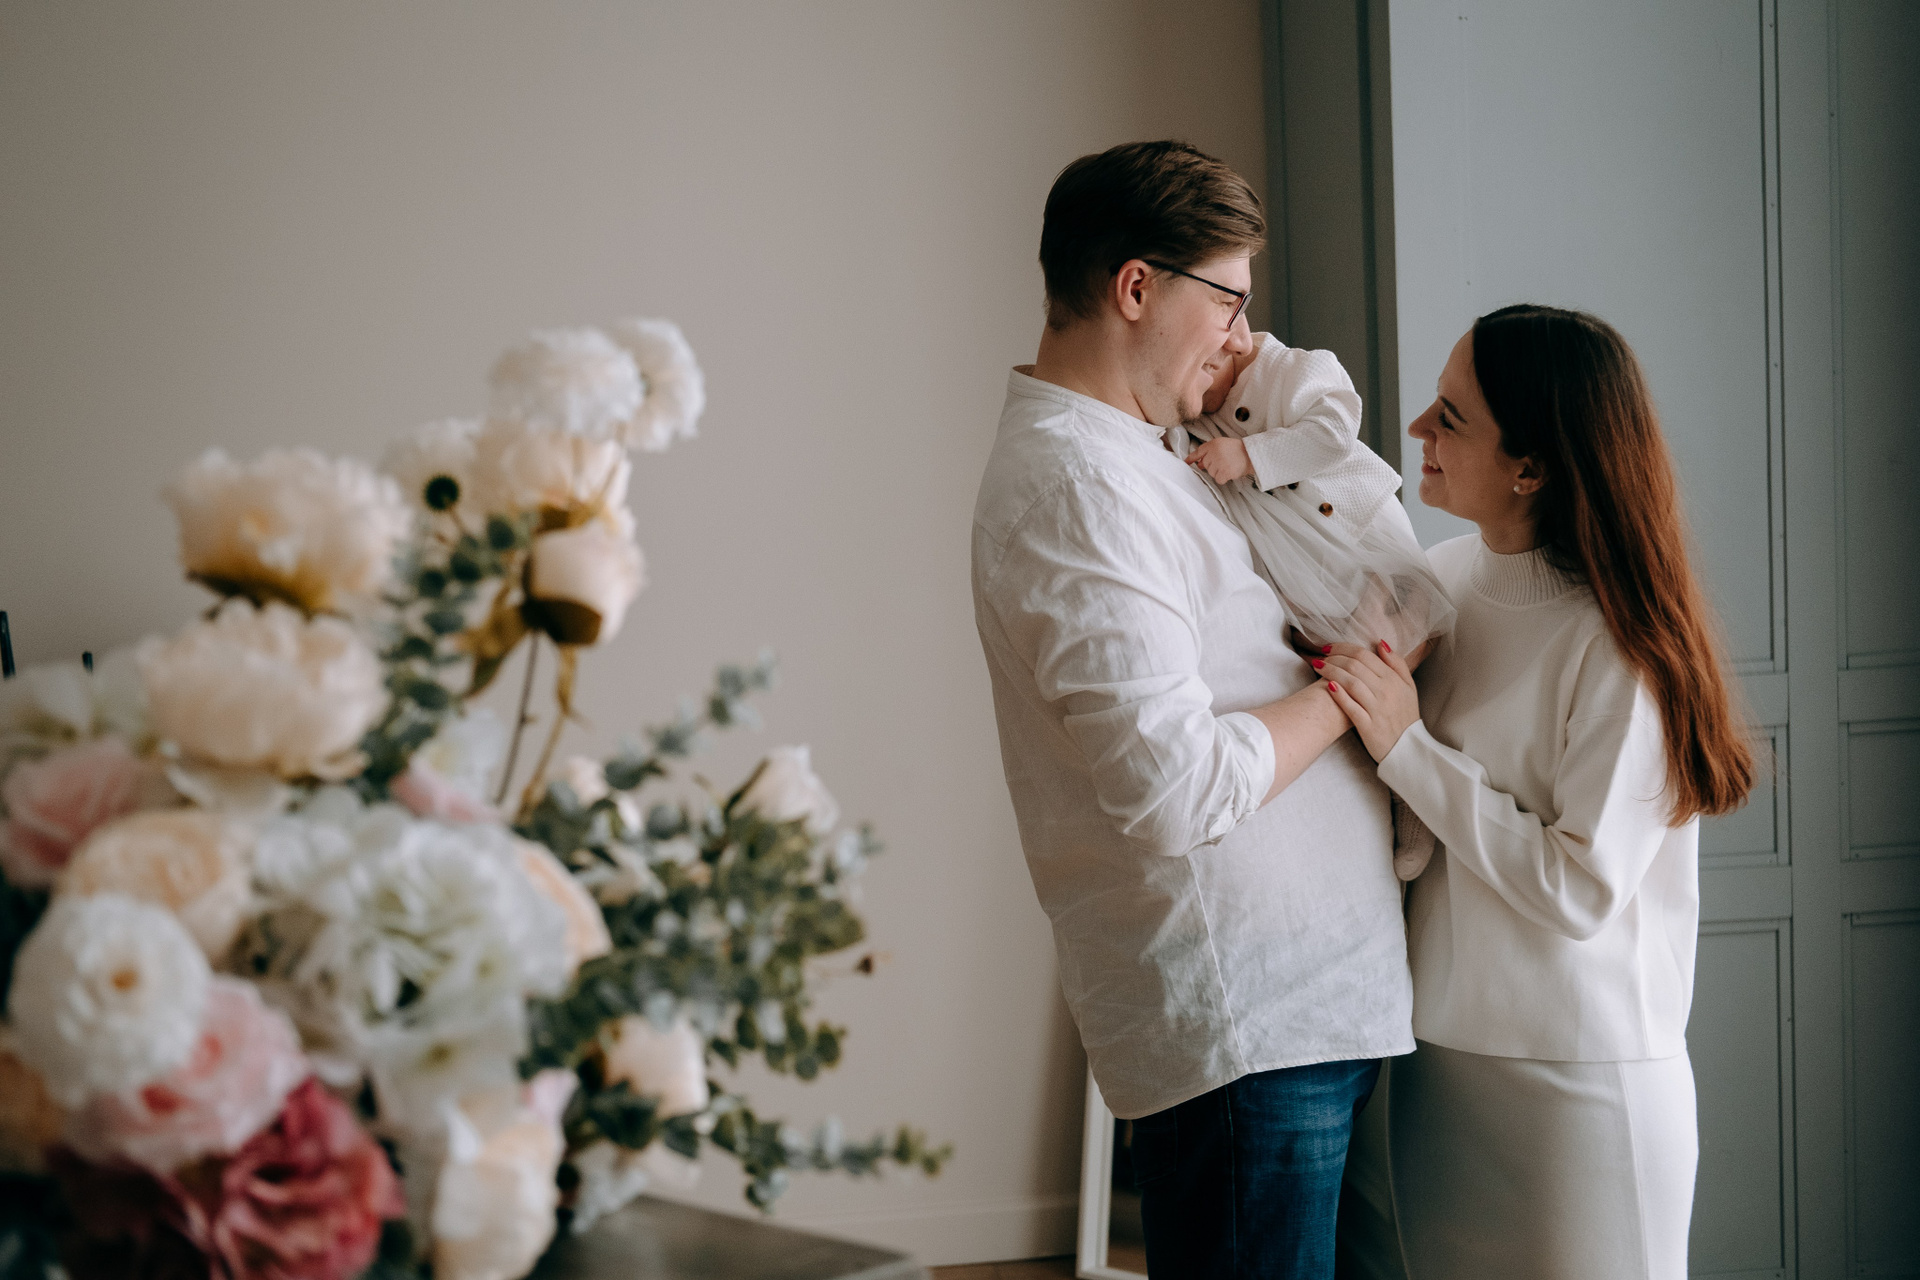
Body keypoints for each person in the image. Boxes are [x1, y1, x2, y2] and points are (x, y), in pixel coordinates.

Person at [971, 139, 1413, 1279]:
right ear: (1136, 287)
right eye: (1227, 300)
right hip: (1247, 1029)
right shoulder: (1080, 487)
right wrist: (1357, 685)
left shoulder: (1150, 457)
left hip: (1307, 1011)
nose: (1240, 337)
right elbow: (1175, 789)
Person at [1316, 305, 1756, 1280]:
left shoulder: (1618, 644)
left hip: (1582, 1089)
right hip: (1438, 1063)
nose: (1417, 430)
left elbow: (1581, 887)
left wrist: (1409, 748)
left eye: (1450, 416)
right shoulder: (1433, 582)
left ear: (1531, 467)